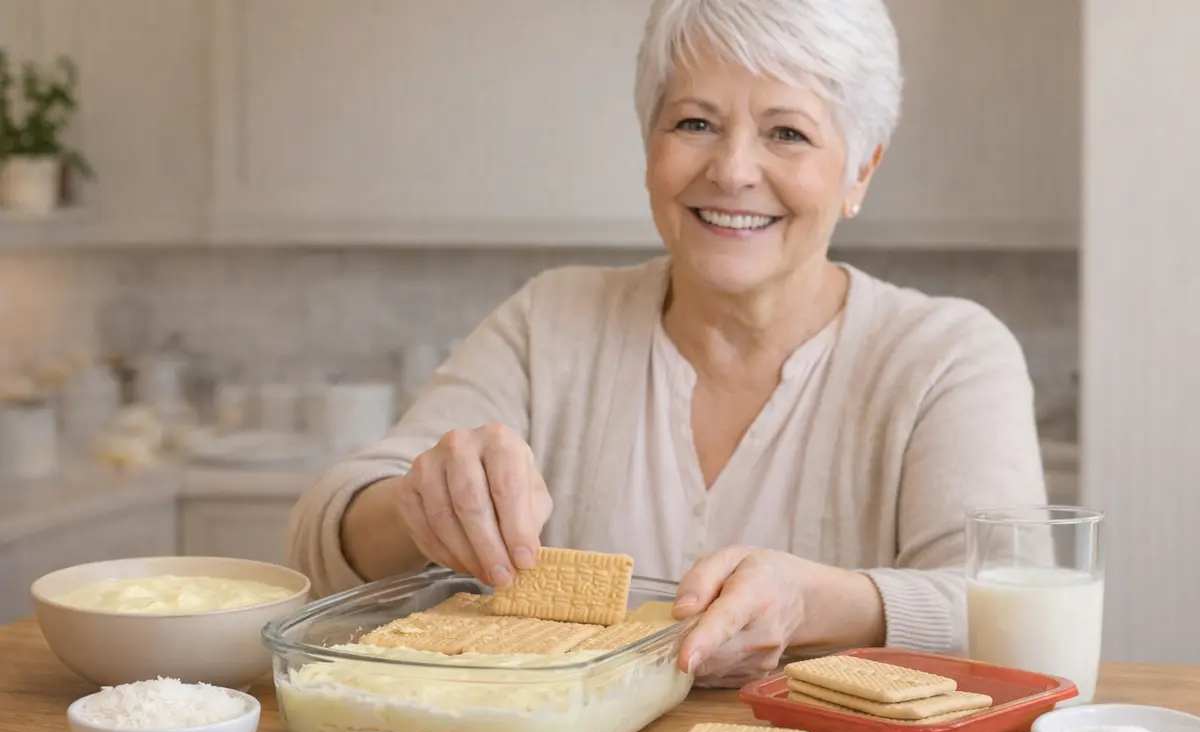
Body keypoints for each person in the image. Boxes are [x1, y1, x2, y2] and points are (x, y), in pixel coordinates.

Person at [287, 0, 1046, 688]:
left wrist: (818, 603)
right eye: (695, 123)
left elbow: (1012, 610)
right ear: (650, 143)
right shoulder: (552, 319)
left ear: (860, 171)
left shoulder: (949, 354)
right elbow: (324, 534)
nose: (733, 170)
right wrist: (421, 504)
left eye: (787, 132)